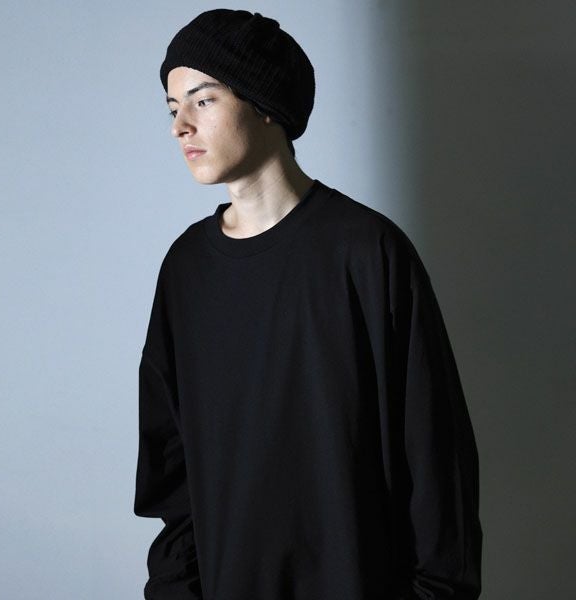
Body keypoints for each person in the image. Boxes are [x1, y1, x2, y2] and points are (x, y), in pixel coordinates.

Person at [133, 8, 483, 600]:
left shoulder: (366, 252)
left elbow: (435, 462)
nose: (180, 127)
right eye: (172, 109)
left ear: (265, 104)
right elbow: (171, 467)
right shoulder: (187, 269)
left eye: (203, 100)